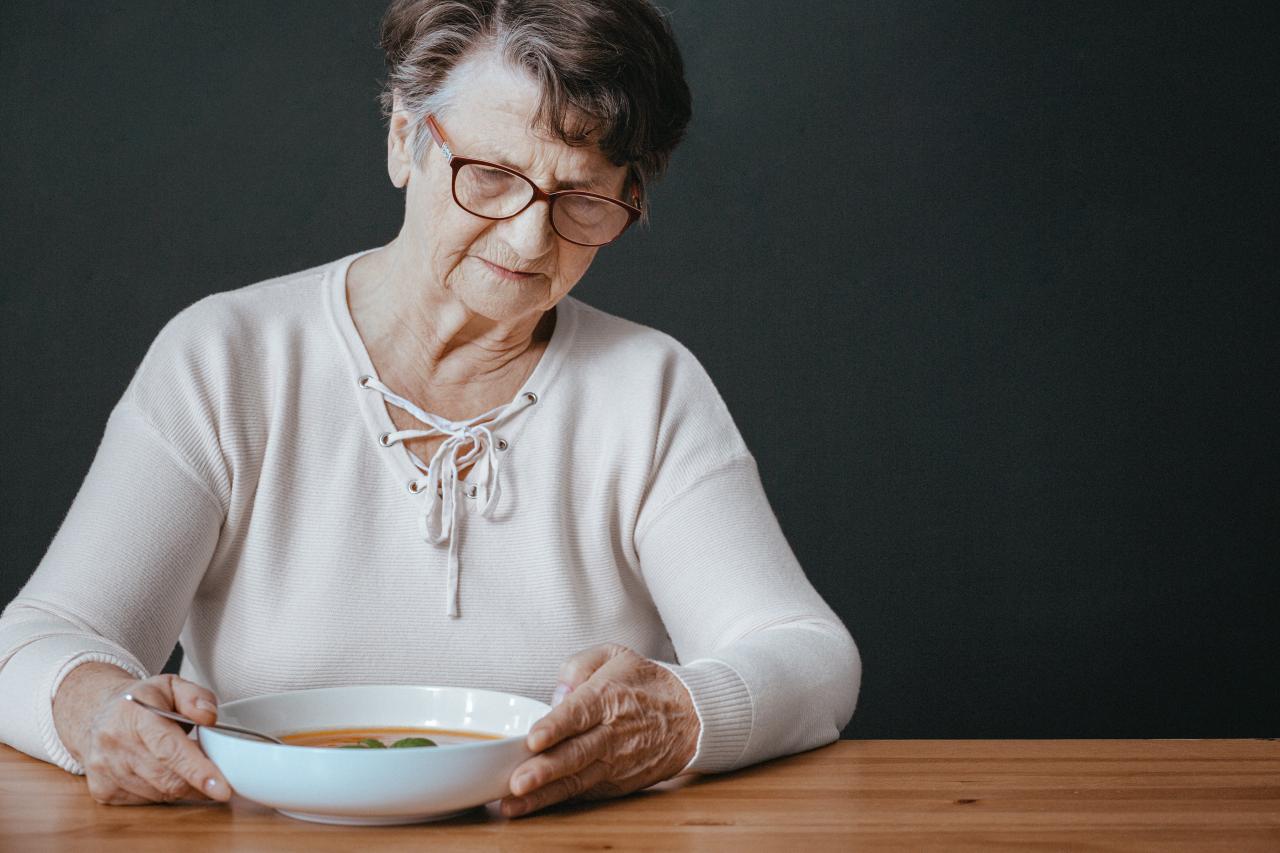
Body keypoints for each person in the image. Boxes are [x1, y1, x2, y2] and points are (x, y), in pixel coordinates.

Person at [0, 0, 860, 817]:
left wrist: (679, 713)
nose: (529, 240)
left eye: (584, 199)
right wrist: (95, 709)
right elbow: (37, 637)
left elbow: (812, 658)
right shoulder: (228, 358)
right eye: (490, 176)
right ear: (405, 141)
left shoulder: (648, 387)